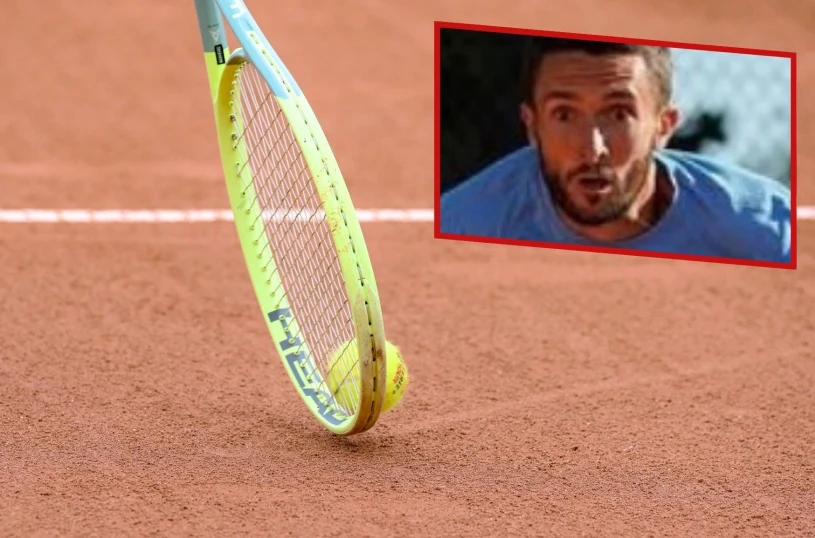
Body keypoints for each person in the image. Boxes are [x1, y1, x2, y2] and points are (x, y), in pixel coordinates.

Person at [438, 37, 791, 264]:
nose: (592, 150)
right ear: (532, 126)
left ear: (663, 126)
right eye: (564, 115)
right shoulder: (463, 227)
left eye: (618, 114)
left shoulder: (767, 231)